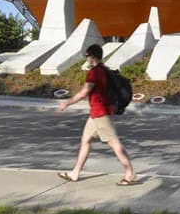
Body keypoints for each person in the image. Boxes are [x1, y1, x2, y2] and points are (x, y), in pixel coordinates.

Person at [56, 43, 137, 186]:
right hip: (96, 113)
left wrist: (66, 103)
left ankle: (130, 173)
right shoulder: (104, 70)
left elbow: (84, 93)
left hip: (101, 113)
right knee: (85, 140)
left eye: (87, 56)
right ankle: (75, 173)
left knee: (114, 144)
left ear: (92, 56)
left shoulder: (94, 72)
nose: (86, 59)